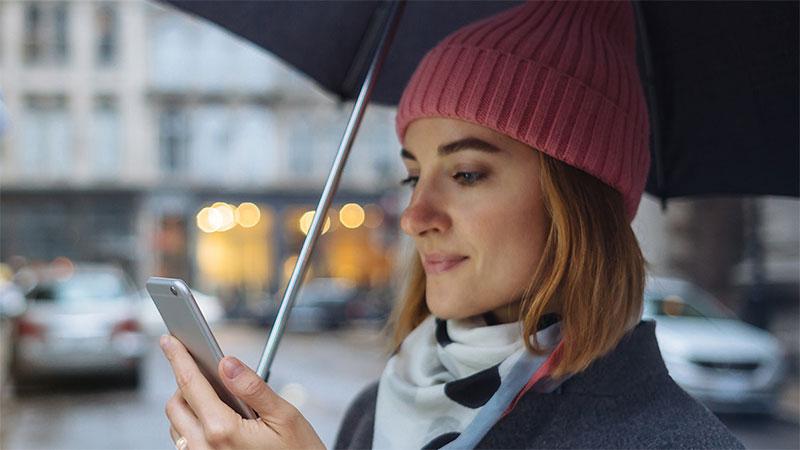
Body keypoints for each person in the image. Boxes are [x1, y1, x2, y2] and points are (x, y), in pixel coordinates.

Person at [159, 2, 745, 449]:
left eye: (466, 174)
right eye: (415, 176)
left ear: (577, 205)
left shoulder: (669, 438)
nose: (415, 218)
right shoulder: (377, 408)